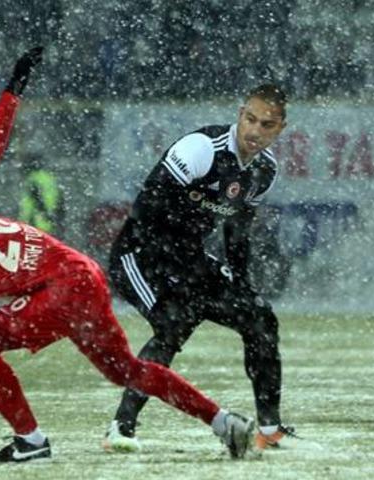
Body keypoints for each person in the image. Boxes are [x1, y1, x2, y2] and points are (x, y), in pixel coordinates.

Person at [0, 46, 256, 462]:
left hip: (58, 291)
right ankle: (224, 422)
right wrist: (12, 90)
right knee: (123, 370)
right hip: (78, 271)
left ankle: (30, 442)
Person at [102, 84, 294, 454]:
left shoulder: (264, 170)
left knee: (259, 319)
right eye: (250, 119)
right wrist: (179, 270)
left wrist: (241, 282)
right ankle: (120, 429)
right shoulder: (202, 149)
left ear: (280, 129)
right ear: (239, 114)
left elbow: (237, 230)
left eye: (266, 125)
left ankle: (270, 431)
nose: (255, 131)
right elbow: (145, 211)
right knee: (173, 322)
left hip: (187, 259)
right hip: (139, 255)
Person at [17, 154, 65, 236]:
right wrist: (56, 219)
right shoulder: (50, 178)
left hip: (35, 222)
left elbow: (35, 200)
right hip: (49, 222)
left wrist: (42, 215)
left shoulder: (33, 179)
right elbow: (60, 200)